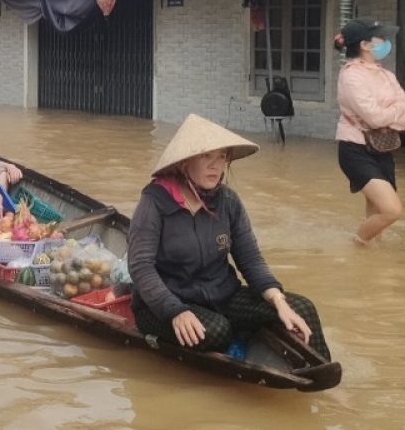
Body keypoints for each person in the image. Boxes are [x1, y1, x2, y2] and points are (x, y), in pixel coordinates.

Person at [127, 114, 329, 359]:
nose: (216, 165)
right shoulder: (154, 202)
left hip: (222, 295)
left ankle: (320, 372)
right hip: (163, 305)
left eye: (222, 157)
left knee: (302, 307)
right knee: (217, 331)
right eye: (206, 156)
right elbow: (140, 267)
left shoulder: (228, 201)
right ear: (185, 162)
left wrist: (278, 301)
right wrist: (175, 311)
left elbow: (251, 260)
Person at [335, 19, 405, 245]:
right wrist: (394, 112)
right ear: (365, 45)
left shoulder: (386, 75)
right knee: (391, 210)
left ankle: (369, 258)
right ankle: (356, 245)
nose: (386, 42)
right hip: (355, 149)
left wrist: (389, 114)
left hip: (382, 147)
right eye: (381, 38)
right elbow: (375, 117)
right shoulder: (351, 76)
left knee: (378, 212)